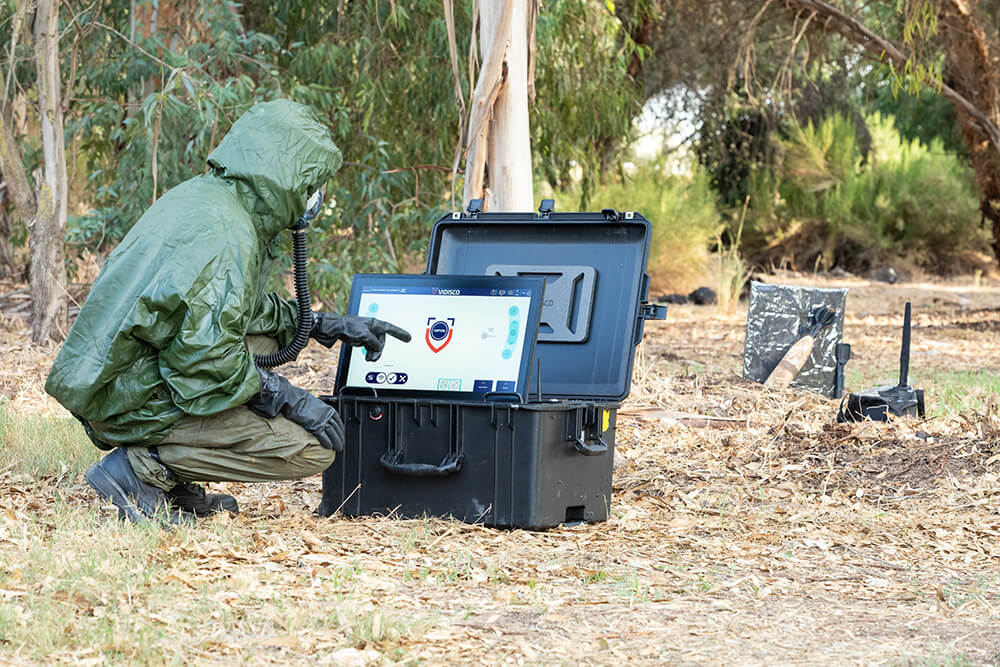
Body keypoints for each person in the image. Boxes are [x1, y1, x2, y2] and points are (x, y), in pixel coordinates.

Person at [45, 99, 410, 525]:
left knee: (268, 341)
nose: (314, 197)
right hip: (130, 395)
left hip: (120, 375)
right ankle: (142, 469)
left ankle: (166, 478)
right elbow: (204, 357)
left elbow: (234, 311)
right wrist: (285, 397)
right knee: (313, 448)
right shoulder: (229, 233)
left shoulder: (211, 200)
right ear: (286, 174)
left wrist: (326, 325)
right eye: (311, 182)